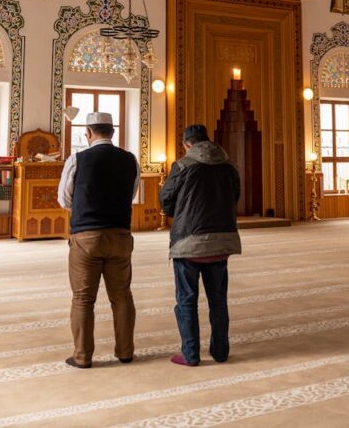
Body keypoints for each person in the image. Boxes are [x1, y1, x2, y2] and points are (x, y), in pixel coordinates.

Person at [57, 112, 141, 369]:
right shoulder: (130, 160)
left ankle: (82, 356)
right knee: (122, 295)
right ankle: (125, 351)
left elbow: (64, 199)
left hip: (86, 237)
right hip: (119, 235)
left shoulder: (78, 159)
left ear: (89, 133)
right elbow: (132, 194)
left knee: (83, 299)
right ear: (112, 133)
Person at [160, 124, 242, 367]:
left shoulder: (183, 165)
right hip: (221, 241)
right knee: (218, 300)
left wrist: (181, 212)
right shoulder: (229, 165)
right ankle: (220, 351)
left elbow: (166, 200)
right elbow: (235, 196)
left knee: (187, 300)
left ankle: (190, 354)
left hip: (189, 242)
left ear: (187, 144)